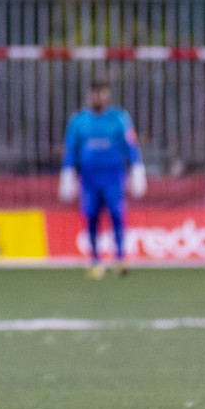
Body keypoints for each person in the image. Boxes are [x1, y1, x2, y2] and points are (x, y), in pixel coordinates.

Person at [59, 78, 145, 278]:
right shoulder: (79, 121)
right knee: (90, 217)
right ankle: (95, 260)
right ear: (89, 96)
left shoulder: (119, 118)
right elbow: (71, 150)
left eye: (102, 93)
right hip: (89, 179)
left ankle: (120, 258)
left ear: (108, 96)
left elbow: (130, 146)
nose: (98, 97)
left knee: (117, 215)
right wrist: (67, 173)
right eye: (95, 94)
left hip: (113, 177)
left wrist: (137, 169)